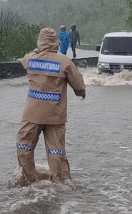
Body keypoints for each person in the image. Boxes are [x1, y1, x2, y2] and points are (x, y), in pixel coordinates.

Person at [16, 28, 86, 185]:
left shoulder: (31, 59)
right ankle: (61, 182)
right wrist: (81, 93)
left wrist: (37, 51)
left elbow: (23, 60)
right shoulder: (64, 62)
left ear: (39, 41)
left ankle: (30, 180)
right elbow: (79, 86)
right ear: (57, 42)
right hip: (56, 114)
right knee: (56, 150)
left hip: (32, 114)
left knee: (24, 146)